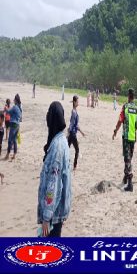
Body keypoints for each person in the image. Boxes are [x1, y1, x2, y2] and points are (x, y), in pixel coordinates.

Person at [37, 101, 71, 237]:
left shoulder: (57, 147)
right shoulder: (62, 140)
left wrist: (46, 217)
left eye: (49, 113)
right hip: (57, 213)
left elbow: (54, 185)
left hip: (53, 215)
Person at [112, 88, 137, 192]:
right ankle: (125, 176)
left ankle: (130, 183)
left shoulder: (125, 107)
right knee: (129, 158)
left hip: (126, 137)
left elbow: (120, 120)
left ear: (128, 96)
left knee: (127, 159)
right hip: (133, 138)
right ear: (134, 97)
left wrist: (115, 130)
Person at [68, 96, 85, 171]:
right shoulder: (74, 112)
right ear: (74, 102)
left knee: (66, 149)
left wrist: (81, 132)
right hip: (72, 134)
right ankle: (74, 165)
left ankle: (66, 163)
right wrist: (70, 132)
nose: (78, 103)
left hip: (72, 133)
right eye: (77, 101)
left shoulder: (74, 111)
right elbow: (72, 123)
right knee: (77, 150)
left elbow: (74, 124)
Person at [4, 94, 22, 160]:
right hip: (17, 125)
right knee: (14, 140)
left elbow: (8, 112)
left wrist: (6, 109)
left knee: (10, 140)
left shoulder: (15, 107)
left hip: (13, 125)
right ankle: (14, 155)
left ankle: (7, 155)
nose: (13, 100)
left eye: (14, 99)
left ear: (16, 100)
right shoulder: (20, 108)